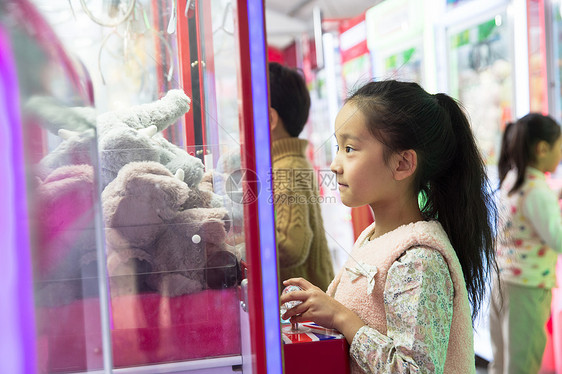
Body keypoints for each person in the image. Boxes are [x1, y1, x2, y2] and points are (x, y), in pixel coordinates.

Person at [280, 80, 497, 373]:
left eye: (349, 148)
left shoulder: (418, 259)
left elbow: (413, 370)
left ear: (403, 164)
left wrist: (342, 318)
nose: (335, 164)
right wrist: (320, 306)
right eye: (337, 147)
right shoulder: (372, 238)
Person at [489, 113, 562, 374]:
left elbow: (528, 209)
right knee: (524, 364)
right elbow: (558, 238)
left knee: (502, 361)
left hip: (502, 282)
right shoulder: (538, 192)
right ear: (543, 149)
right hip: (528, 288)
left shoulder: (513, 178)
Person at [268, 62, 334, 292]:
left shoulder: (286, 169)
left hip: (303, 312)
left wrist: (246, 235)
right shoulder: (291, 163)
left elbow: (292, 247)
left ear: (270, 119)